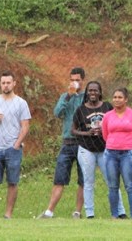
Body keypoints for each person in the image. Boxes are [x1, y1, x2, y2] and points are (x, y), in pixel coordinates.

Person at [0, 71, 31, 219]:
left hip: (13, 149)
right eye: (3, 83)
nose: (5, 85)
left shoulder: (21, 103)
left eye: (8, 82)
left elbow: (25, 126)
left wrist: (16, 144)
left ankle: (8, 215)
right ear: (0, 84)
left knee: (12, 182)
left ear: (14, 83)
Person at [37, 67, 86, 219]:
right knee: (59, 178)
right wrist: (68, 97)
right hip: (67, 142)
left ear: (83, 80)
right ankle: (49, 211)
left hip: (84, 143)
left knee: (83, 180)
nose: (75, 82)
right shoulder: (65, 96)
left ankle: (78, 212)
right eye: (72, 80)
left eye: (77, 80)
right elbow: (57, 113)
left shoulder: (88, 97)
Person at [73, 81, 124, 219]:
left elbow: (115, 122)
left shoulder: (107, 107)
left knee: (111, 181)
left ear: (100, 92)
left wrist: (105, 130)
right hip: (86, 148)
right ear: (87, 92)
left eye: (95, 90)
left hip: (105, 148)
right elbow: (73, 130)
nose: (93, 93)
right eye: (90, 90)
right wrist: (87, 133)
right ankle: (90, 213)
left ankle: (120, 211)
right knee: (88, 181)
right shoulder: (81, 109)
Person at [102, 87, 132, 219]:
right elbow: (105, 135)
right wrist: (114, 143)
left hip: (127, 154)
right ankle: (114, 215)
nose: (117, 100)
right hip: (110, 154)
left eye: (120, 97)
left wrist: (129, 142)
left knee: (130, 186)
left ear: (126, 99)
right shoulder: (108, 116)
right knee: (113, 186)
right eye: (115, 97)